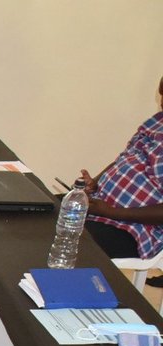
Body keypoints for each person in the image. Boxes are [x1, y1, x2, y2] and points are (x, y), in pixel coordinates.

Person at [80, 74, 163, 285]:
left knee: (65, 240)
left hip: (136, 229)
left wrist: (111, 212)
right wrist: (95, 182)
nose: (161, 104)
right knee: (40, 213)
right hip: (102, 206)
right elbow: (127, 158)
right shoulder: (156, 123)